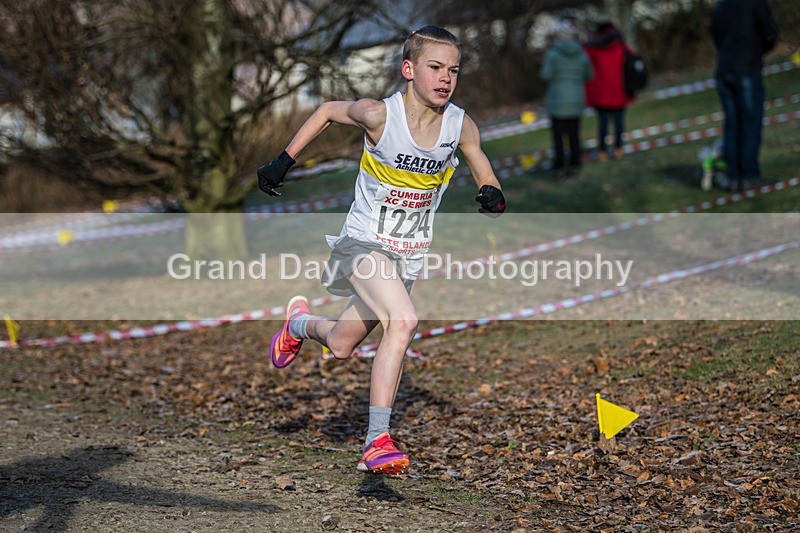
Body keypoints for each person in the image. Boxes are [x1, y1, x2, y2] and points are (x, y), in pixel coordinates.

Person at [256, 25, 505, 476]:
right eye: (435, 67)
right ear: (409, 70)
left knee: (342, 343)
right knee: (405, 320)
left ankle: (296, 323)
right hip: (362, 245)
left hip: (406, 256)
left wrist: (491, 191)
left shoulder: (459, 124)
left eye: (453, 70)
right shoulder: (379, 116)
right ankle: (376, 441)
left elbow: (480, 160)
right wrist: (283, 160)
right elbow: (329, 110)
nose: (446, 78)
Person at [712, 0, 778, 192]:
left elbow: (717, 36)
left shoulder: (721, 5)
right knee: (750, 122)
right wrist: (758, 50)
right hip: (747, 67)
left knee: (732, 125)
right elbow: (769, 32)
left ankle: (734, 177)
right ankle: (749, 175)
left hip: (724, 68)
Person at [539, 20, 593, 177]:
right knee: (574, 135)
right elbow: (589, 76)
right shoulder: (582, 54)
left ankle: (559, 165)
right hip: (576, 100)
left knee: (558, 137)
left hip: (557, 102)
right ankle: (575, 163)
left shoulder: (552, 54)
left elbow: (545, 75)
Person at [583, 22, 634, 162]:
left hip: (601, 94)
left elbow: (584, 64)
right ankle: (619, 149)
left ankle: (602, 152)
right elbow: (632, 59)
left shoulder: (592, 49)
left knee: (603, 123)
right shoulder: (621, 46)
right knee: (619, 122)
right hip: (619, 91)